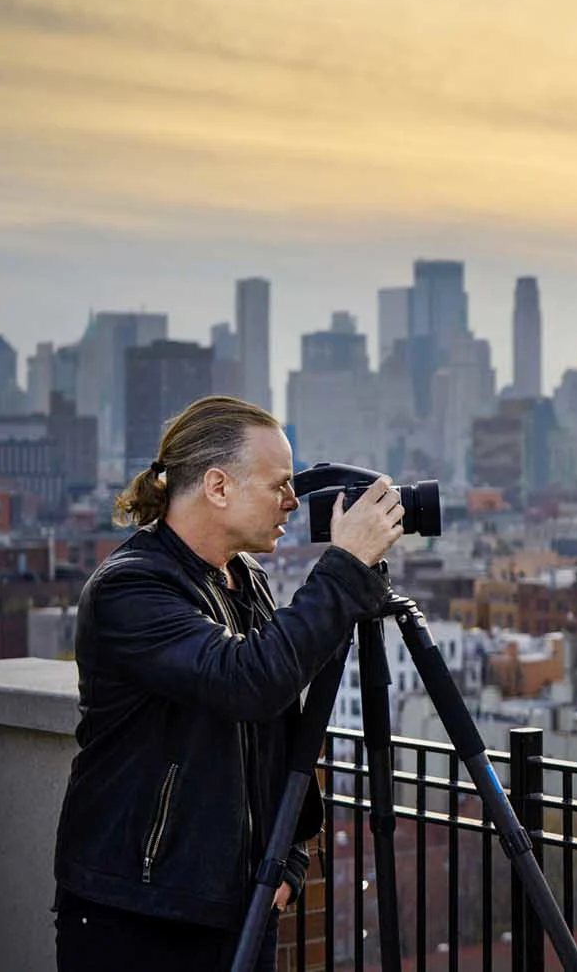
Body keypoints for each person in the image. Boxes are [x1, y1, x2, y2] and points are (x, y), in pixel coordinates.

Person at [53, 396, 406, 971]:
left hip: (237, 906)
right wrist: (344, 566)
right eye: (280, 485)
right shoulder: (130, 589)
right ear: (218, 487)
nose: (293, 501)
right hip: (137, 912)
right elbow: (246, 682)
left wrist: (287, 863)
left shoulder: (246, 580)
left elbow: (275, 733)